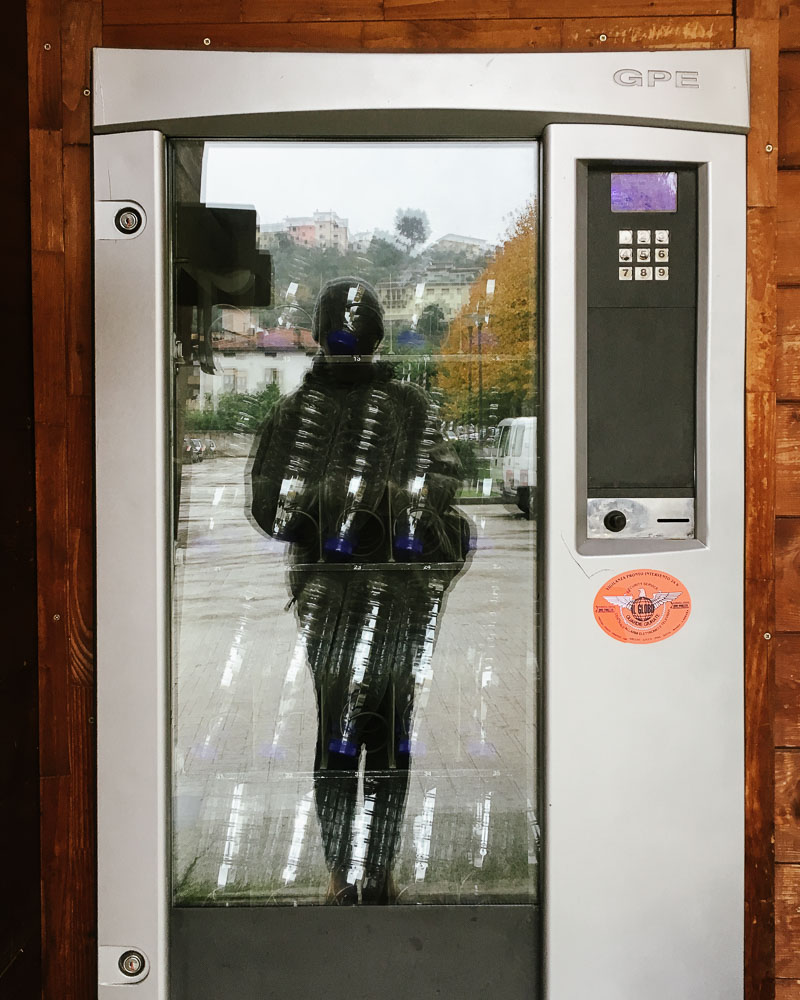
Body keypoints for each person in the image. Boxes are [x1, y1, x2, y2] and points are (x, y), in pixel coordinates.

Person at [251, 277, 470, 904]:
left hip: (335, 597)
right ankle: (371, 872)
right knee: (386, 733)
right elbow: (445, 485)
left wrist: (334, 518)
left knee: (343, 732)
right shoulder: (408, 409)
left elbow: (271, 508)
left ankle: (346, 874)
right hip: (388, 596)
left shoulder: (297, 413)